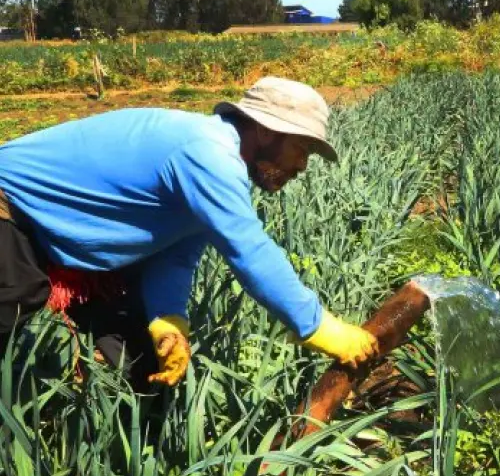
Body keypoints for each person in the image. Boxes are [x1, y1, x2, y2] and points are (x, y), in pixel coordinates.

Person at [0, 76, 379, 392]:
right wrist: (317, 326)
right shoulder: (207, 154)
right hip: (8, 203)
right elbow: (250, 252)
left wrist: (168, 319)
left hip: (44, 229)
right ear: (265, 131)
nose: (301, 165)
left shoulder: (214, 161)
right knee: (14, 297)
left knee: (135, 343)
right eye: (301, 148)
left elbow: (177, 255)